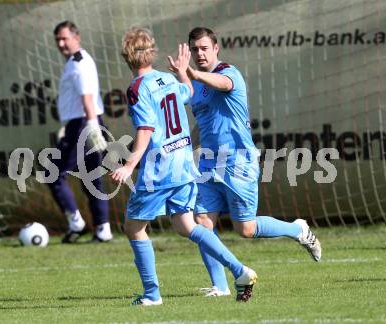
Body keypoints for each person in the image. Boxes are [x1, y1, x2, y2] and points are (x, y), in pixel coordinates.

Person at [111, 26, 257, 306]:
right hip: (183, 163)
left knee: (133, 228)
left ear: (126, 56)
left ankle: (152, 294)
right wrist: (180, 72)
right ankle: (240, 270)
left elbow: (145, 128)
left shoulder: (136, 88)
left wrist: (130, 164)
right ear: (151, 52)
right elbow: (188, 92)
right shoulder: (166, 79)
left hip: (159, 167)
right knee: (186, 225)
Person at [186, 27, 322, 297]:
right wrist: (188, 149)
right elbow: (201, 124)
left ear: (216, 49)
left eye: (204, 48)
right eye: (194, 49)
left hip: (238, 161)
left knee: (245, 229)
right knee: (202, 222)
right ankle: (221, 286)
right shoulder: (198, 86)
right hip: (209, 164)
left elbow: (224, 85)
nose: (199, 53)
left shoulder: (228, 73)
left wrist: (192, 74)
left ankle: (298, 229)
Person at [49, 20, 113, 243]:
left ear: (77, 37)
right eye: (57, 39)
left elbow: (86, 97)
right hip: (82, 122)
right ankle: (103, 229)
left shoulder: (79, 63)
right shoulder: (76, 61)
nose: (61, 43)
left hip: (84, 123)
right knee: (91, 177)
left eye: (64, 38)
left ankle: (77, 224)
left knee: (54, 173)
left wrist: (92, 125)